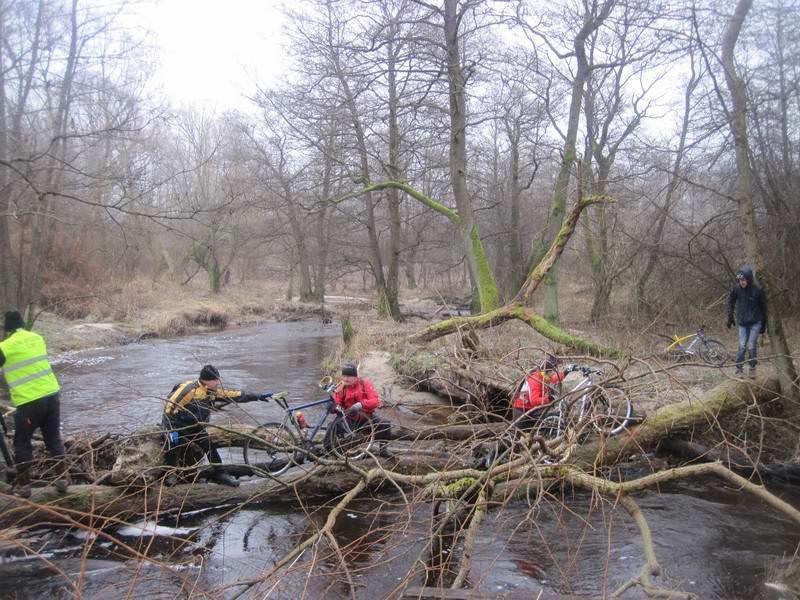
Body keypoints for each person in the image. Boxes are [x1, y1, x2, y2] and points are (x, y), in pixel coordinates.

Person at [162, 364, 270, 487]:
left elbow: (234, 395)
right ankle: (170, 475)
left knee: (209, 446)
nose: (218, 382)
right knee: (172, 446)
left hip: (195, 427)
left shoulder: (210, 391)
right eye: (216, 380)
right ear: (207, 381)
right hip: (177, 425)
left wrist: (258, 396)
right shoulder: (189, 389)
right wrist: (170, 429)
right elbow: (169, 406)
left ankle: (220, 474)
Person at [0, 311, 69, 498]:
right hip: (52, 395)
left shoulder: (5, 347)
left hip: (29, 402)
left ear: (6, 329)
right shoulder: (37, 338)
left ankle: (24, 487)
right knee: (53, 438)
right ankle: (63, 480)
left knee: (22, 442)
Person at [330, 363, 392, 458]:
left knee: (385, 424)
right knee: (332, 426)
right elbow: (336, 402)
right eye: (344, 376)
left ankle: (383, 449)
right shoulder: (341, 387)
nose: (346, 379)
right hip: (349, 421)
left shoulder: (365, 384)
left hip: (366, 419)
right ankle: (331, 450)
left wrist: (361, 404)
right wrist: (332, 407)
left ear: (355, 377)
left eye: (349, 376)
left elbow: (375, 401)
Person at [511, 355, 577, 432]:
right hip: (522, 408)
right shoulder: (536, 380)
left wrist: (567, 371)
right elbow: (534, 401)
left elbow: (555, 379)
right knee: (514, 434)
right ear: (547, 371)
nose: (554, 373)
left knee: (551, 417)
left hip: (532, 409)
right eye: (553, 371)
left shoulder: (543, 376)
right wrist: (549, 399)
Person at [727, 266, 767, 378]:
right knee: (742, 345)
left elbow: (764, 309)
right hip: (742, 323)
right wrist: (730, 316)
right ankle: (739, 369)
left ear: (748, 279)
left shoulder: (757, 291)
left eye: (743, 280)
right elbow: (731, 301)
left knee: (751, 345)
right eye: (740, 280)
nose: (742, 282)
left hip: (755, 322)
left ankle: (752, 368)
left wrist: (764, 324)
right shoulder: (737, 289)